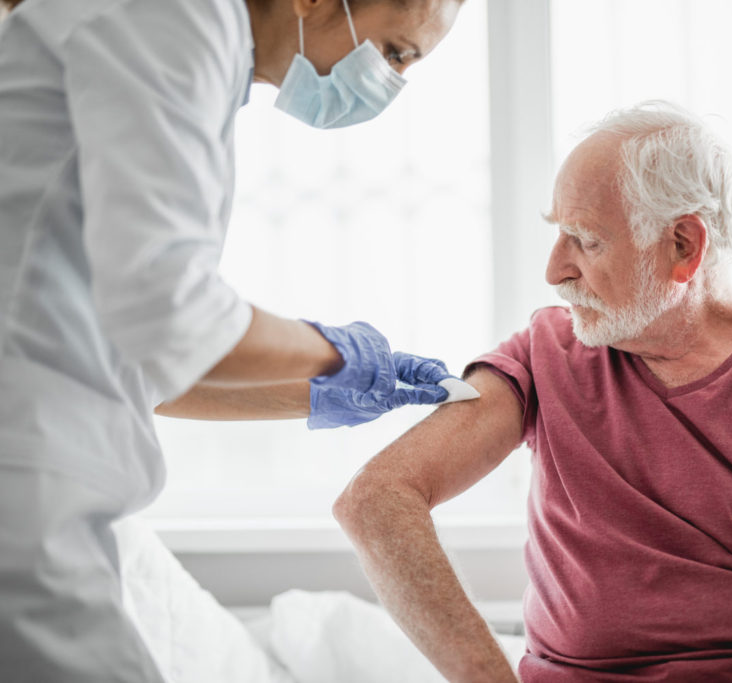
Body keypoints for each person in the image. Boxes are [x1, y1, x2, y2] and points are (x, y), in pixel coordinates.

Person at [334, 102, 732, 682]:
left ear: (683, 246)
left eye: (585, 241)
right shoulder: (544, 352)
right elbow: (377, 499)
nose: (555, 271)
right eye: (558, 234)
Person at [0, 0, 464, 679]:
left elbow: (143, 363)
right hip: (26, 473)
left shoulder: (203, 55)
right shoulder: (176, 18)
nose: (388, 85)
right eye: (394, 53)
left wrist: (318, 390)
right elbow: (171, 315)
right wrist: (335, 355)